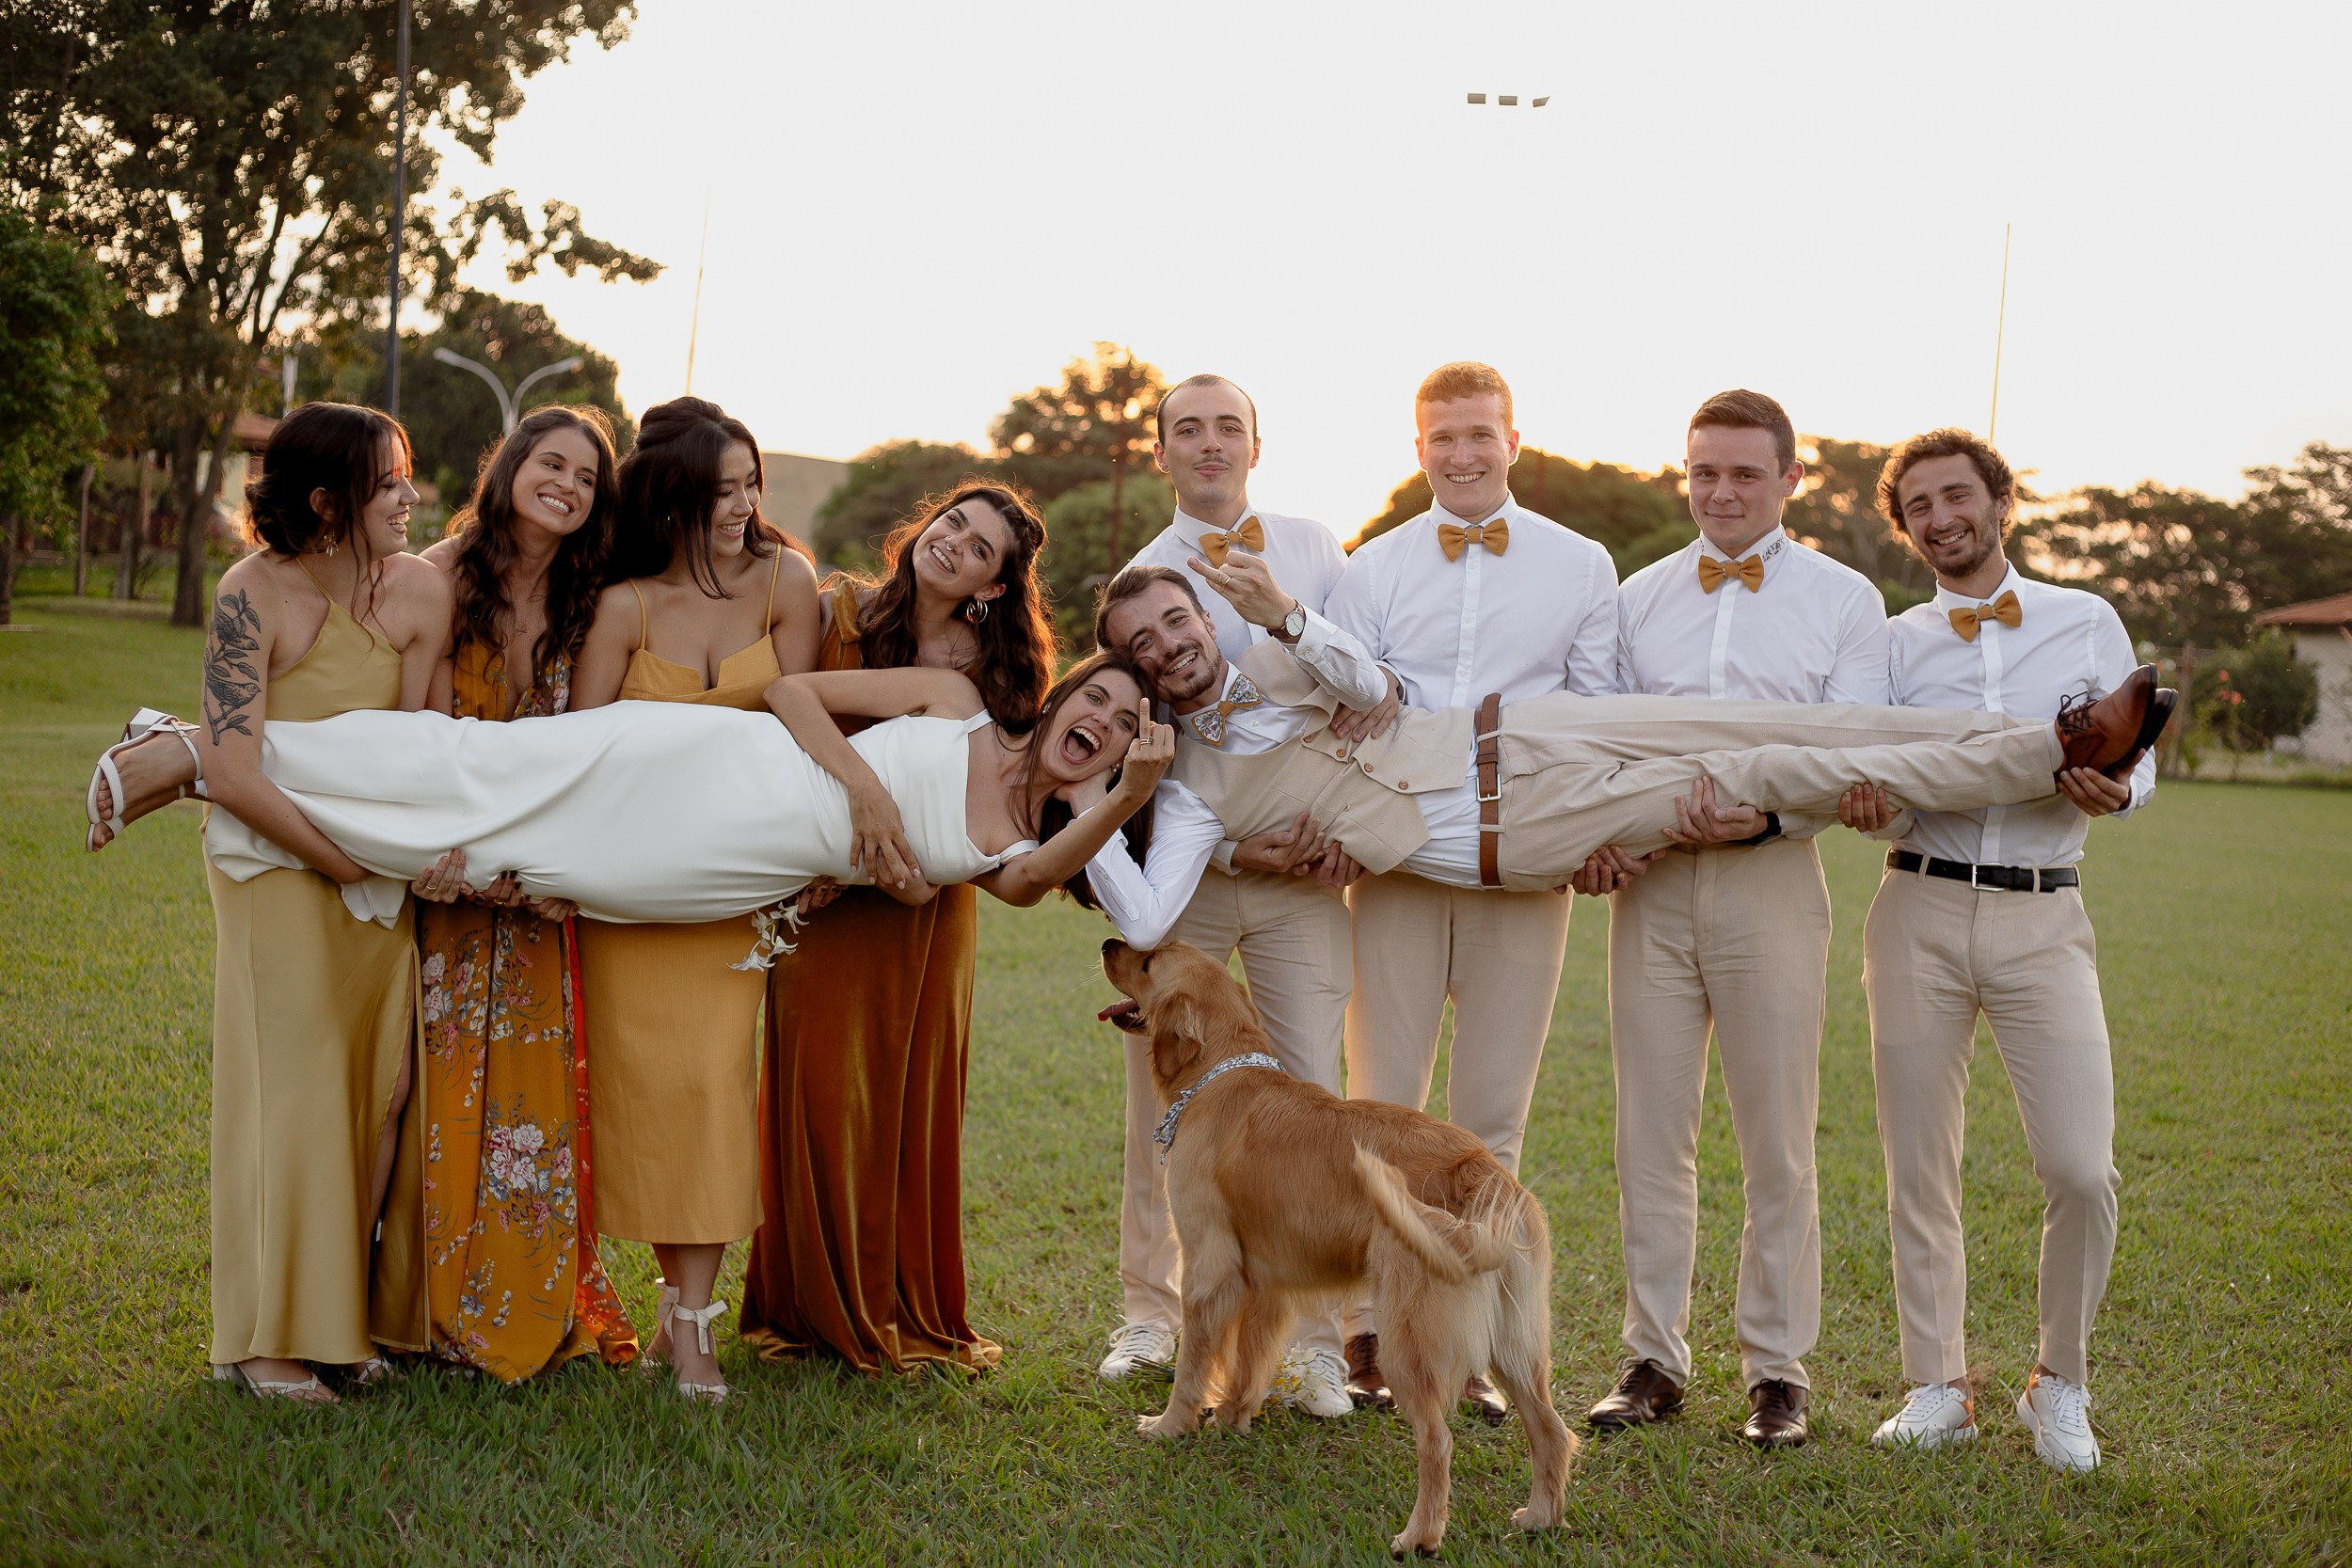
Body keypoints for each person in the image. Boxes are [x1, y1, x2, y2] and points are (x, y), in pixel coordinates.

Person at [110, 402, 454, 1402]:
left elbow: (419, 750)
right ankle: (267, 1342)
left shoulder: (424, 593)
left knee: (379, 1089)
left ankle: (338, 1325)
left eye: (408, 475)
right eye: (389, 480)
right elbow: (228, 765)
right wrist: (339, 862)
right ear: (327, 500)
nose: (408, 495)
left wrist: (401, 857)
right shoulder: (249, 591)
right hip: (273, 862)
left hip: (376, 865)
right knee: (296, 1087)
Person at [1576, 390, 1891, 1448]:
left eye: (1744, 474)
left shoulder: (1846, 600)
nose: (1720, 491)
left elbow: (1850, 748)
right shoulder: (1638, 594)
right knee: (1649, 1132)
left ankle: (1777, 1370)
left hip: (1772, 878)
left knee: (1776, 1136)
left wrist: (1761, 809)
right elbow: (1601, 743)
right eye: (1704, 471)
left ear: (1790, 480)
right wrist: (1615, 831)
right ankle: (1654, 1356)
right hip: (1652, 887)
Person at [1843, 430, 2153, 1472]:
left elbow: (2136, 755)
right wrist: (1871, 807)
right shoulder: (1889, 643)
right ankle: (1938, 1382)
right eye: (1918, 506)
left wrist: (2119, 786)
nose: (1940, 518)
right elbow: (1877, 786)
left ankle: (2057, 1381)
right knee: (1918, 1165)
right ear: (1904, 526)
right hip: (1915, 909)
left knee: (2079, 1165)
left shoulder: (2085, 619)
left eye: (1955, 496)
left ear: (2000, 501)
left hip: (2043, 915)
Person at [1088, 375, 1391, 1417]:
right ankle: (1150, 1310)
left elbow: (1367, 689)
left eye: (1227, 426)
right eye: (1187, 429)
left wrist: (1329, 827)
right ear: (1163, 449)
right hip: (1201, 868)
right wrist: (1225, 844)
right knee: (1169, 1096)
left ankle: (1309, 1339)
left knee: (1305, 1095)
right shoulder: (1140, 577)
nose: (1208, 444)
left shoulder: (1312, 544)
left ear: (1256, 442)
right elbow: (1141, 742)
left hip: (1305, 878)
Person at [1323, 360, 1619, 1415]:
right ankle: (1369, 1336)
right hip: (1398, 866)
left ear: (1512, 440)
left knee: (1493, 1123)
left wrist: (1585, 830)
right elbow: (1347, 709)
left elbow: (1594, 718)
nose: (1461, 453)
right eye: (1441, 437)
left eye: (1478, 435)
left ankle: (1481, 1349)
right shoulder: (1372, 567)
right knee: (1383, 1112)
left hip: (1524, 873)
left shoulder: (1581, 564)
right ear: (1417, 448)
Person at [739, 480, 1057, 1376]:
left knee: (911, 1097)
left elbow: (999, 814)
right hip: (820, 887)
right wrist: (858, 814)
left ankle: (894, 1301)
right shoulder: (840, 610)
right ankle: (806, 1303)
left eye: (981, 548)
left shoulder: (1001, 674)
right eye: (952, 523)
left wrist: (904, 870)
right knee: (817, 1091)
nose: (955, 544)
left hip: (927, 901)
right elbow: (786, 713)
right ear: (927, 525)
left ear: (994, 585)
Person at [564, 396, 822, 1402]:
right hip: (635, 895)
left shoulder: (782, 582)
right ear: (671, 495)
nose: (743, 504)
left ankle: (694, 1325)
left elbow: (803, 730)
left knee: (713, 1092)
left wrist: (804, 860)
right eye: (722, 489)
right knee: (654, 1101)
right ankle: (679, 1316)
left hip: (738, 890)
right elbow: (577, 751)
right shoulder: (624, 606)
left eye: (751, 484)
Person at [405, 404, 639, 1381]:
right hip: (445, 880)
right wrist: (450, 853)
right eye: (553, 463)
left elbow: (590, 755)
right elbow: (410, 736)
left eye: (587, 478)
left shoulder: (591, 602)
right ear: (507, 467)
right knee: (435, 1092)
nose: (569, 486)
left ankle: (527, 1305)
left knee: (533, 1104)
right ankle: (420, 1310)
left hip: (538, 893)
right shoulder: (435, 578)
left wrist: (545, 871)